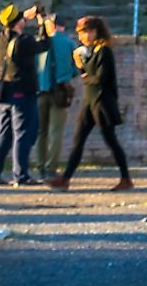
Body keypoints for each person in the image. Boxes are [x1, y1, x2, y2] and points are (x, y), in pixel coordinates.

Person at [47, 14, 131, 191]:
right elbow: (87, 73)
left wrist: (85, 75)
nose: (80, 37)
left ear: (93, 32)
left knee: (111, 140)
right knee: (79, 139)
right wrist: (80, 63)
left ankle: (126, 178)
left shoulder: (104, 51)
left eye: (83, 33)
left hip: (102, 101)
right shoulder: (92, 51)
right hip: (89, 100)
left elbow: (100, 78)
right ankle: (66, 178)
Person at [0, 3, 43, 187]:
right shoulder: (23, 41)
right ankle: (21, 175)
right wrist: (42, 24)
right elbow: (44, 44)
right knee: (23, 134)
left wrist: (24, 15)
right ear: (18, 23)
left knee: (4, 134)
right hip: (22, 91)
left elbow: (11, 24)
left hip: (4, 92)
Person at [33, 11, 77, 177]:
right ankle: (51, 167)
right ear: (63, 26)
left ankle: (40, 166)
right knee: (56, 131)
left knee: (41, 131)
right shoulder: (69, 44)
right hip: (61, 90)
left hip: (41, 90)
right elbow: (76, 68)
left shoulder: (40, 43)